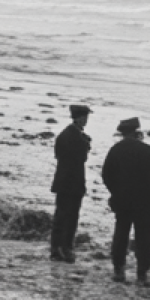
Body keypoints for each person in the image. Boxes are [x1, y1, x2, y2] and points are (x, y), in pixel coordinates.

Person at [101, 116, 150, 284]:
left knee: (121, 234)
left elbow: (106, 175)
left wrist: (115, 192)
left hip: (122, 201)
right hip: (144, 202)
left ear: (122, 133)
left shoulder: (115, 150)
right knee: (144, 237)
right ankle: (142, 273)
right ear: (136, 131)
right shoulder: (146, 150)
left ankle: (119, 270)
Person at [49, 103, 91, 262]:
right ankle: (64, 248)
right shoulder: (75, 136)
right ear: (80, 118)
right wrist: (86, 144)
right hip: (72, 182)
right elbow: (80, 157)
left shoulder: (65, 134)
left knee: (61, 215)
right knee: (70, 217)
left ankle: (57, 248)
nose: (86, 120)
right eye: (85, 117)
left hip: (63, 180)